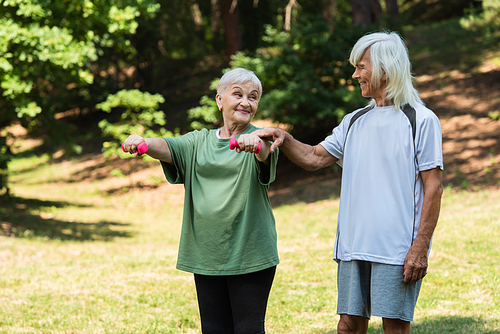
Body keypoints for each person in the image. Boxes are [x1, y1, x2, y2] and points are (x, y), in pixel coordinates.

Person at [253, 31, 444, 334]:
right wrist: (285, 138)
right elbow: (315, 157)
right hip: (353, 247)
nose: (355, 74)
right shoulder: (353, 121)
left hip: (396, 249)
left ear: (385, 68)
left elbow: (434, 187)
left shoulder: (421, 120)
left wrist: (420, 247)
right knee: (348, 326)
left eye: (361, 66)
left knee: (394, 327)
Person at [122, 68, 279, 334]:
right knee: (214, 328)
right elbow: (167, 146)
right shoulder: (198, 142)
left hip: (250, 252)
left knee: (248, 329)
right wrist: (142, 142)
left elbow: (264, 152)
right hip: (207, 254)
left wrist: (255, 144)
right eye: (237, 94)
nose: (246, 102)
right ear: (220, 100)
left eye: (253, 97)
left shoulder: (262, 137)